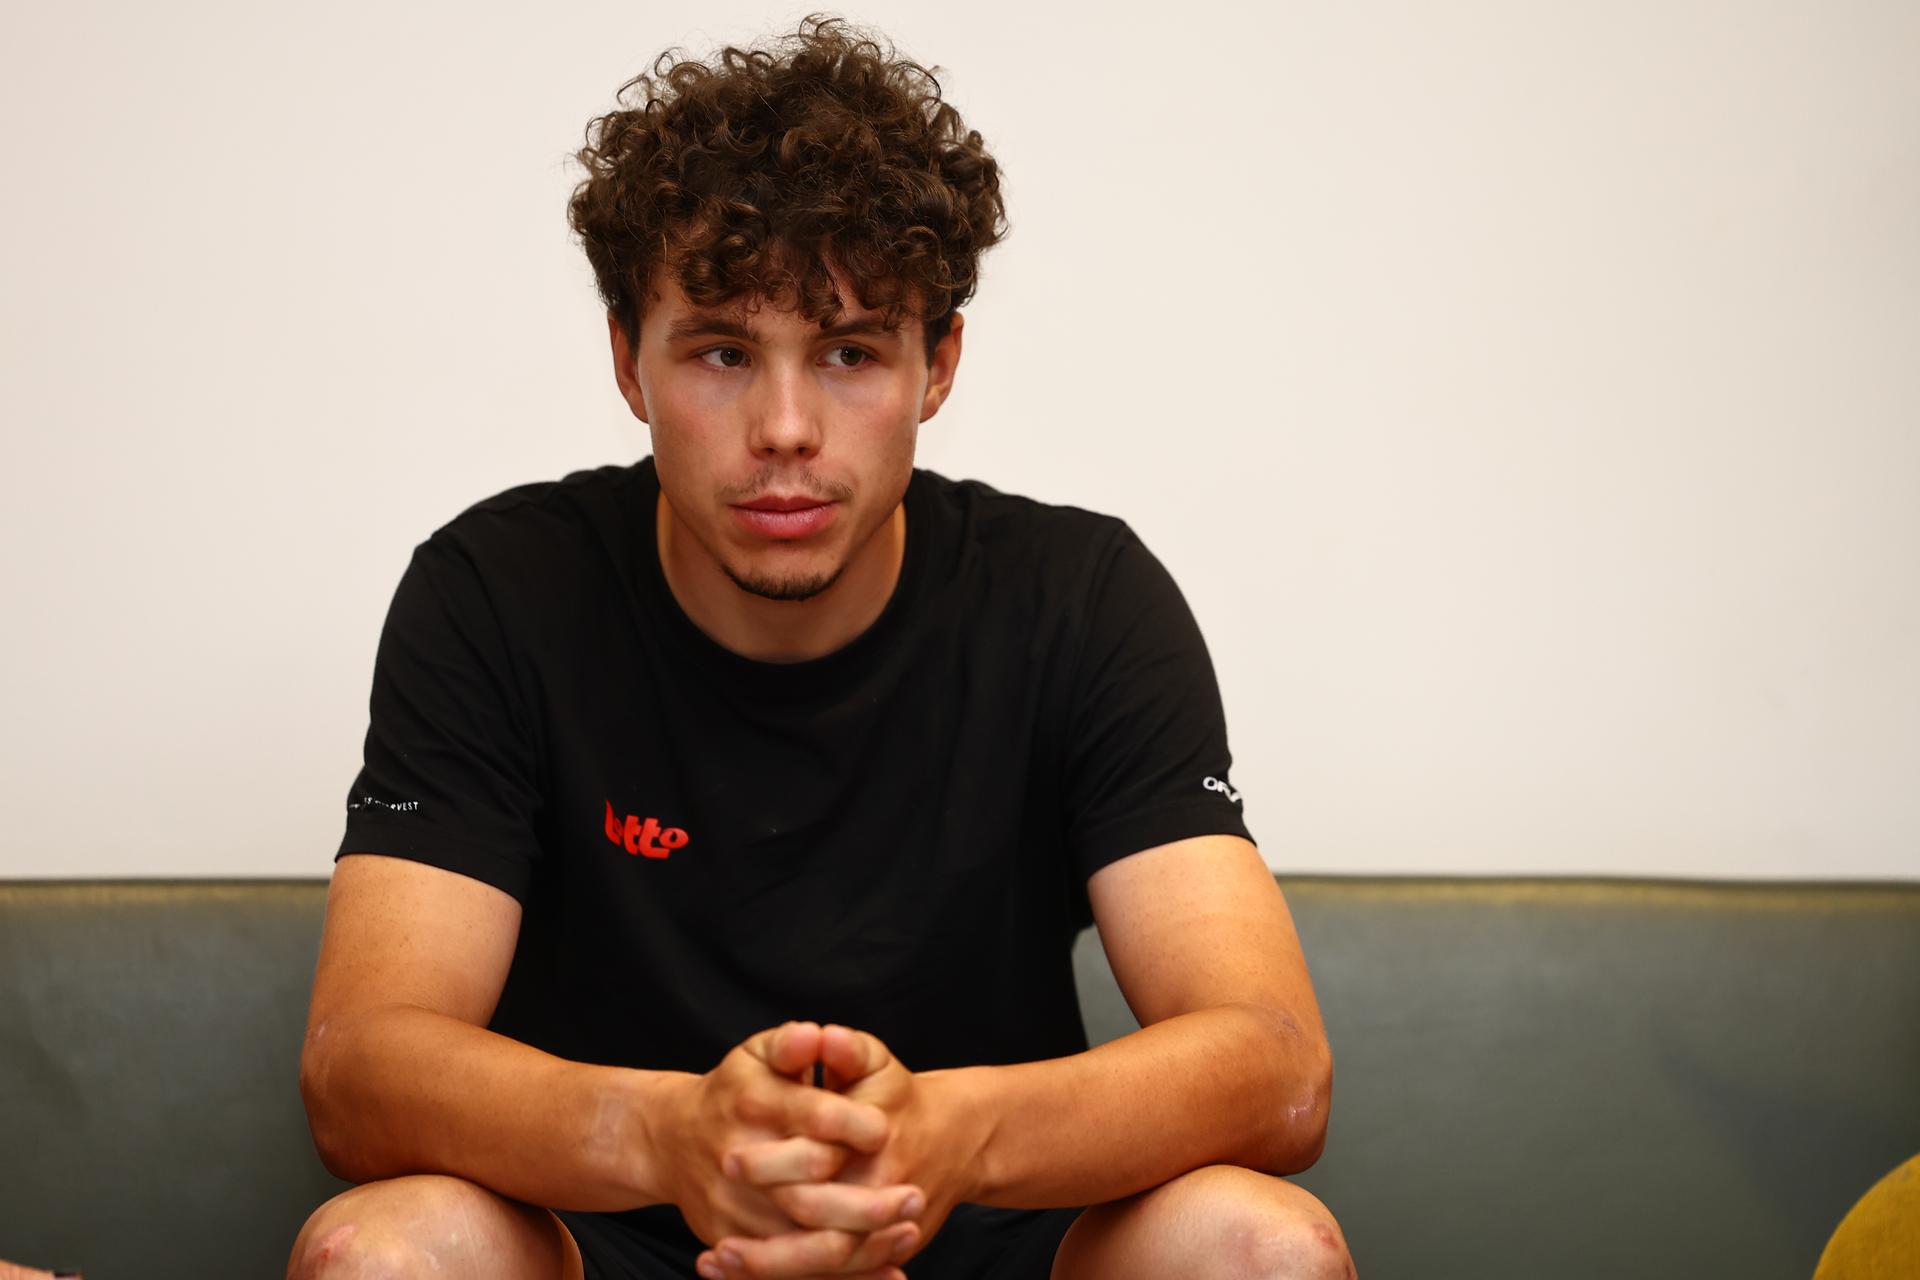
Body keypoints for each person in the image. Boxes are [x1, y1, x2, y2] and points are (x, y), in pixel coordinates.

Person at [289, 14, 1353, 1279]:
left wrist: (946, 1136)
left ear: (938, 363)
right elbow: (357, 1070)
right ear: (628, 359)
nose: (785, 427)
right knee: (381, 1250)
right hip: (617, 1235)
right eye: (723, 351)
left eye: (850, 351)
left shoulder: (1082, 598)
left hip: (983, 1231)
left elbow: (1277, 1064)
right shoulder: (497, 593)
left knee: (1262, 1246)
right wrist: (671, 1135)